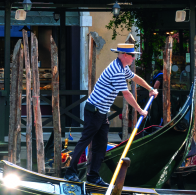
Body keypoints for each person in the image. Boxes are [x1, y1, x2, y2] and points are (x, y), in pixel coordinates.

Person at [64, 43, 158, 187]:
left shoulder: (122, 67)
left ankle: (93, 176)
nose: (134, 58)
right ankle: (70, 172)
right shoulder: (117, 70)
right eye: (133, 56)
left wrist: (151, 88)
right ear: (125, 55)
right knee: (85, 141)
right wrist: (140, 110)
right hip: (94, 111)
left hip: (102, 112)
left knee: (100, 146)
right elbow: (126, 94)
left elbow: (135, 78)